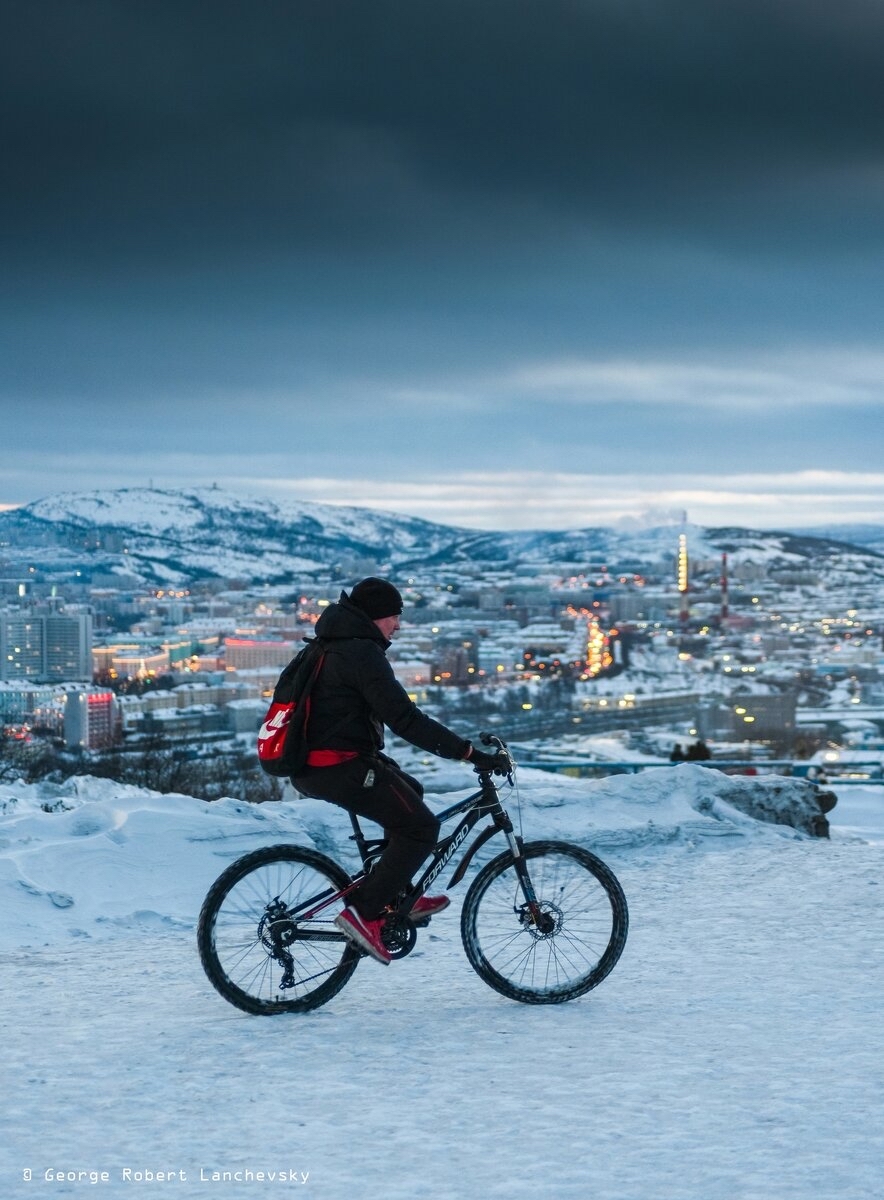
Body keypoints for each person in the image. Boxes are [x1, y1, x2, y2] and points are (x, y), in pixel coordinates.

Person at [290, 577, 507, 966]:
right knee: (421, 829)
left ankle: (393, 894)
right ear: (375, 617)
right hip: (335, 765)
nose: (398, 626)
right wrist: (469, 752)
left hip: (322, 762)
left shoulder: (334, 643)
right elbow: (405, 719)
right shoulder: (361, 653)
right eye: (394, 616)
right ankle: (364, 912)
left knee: (411, 790)